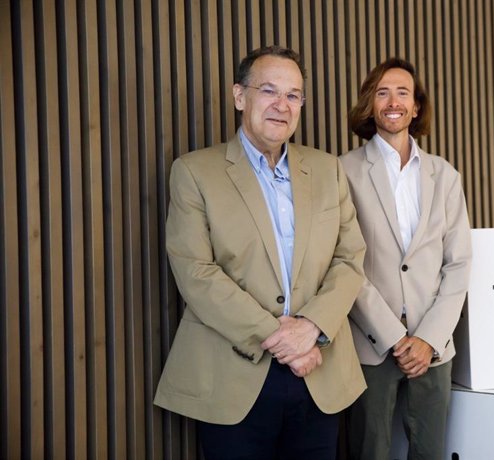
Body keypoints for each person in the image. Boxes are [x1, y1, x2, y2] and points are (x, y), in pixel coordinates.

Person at [154, 45, 367, 460]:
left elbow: (350, 258)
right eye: (269, 90)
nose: (282, 105)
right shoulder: (195, 171)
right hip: (233, 374)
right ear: (239, 97)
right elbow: (196, 271)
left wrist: (310, 328)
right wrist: (280, 338)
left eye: (293, 95)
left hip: (317, 369)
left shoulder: (327, 170)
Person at [341, 58, 472, 460]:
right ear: (370, 105)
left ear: (416, 106)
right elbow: (345, 263)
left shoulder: (444, 175)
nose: (392, 101)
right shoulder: (342, 172)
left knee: (430, 453)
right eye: (382, 92)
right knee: (370, 452)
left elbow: (458, 263)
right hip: (370, 343)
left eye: (402, 92)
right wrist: (395, 338)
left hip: (433, 347)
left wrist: (428, 338)